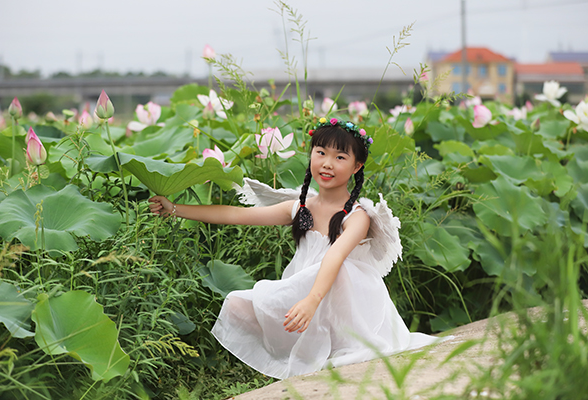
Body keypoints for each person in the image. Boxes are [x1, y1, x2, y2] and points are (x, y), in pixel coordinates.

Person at [149, 118, 445, 379]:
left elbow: (336, 256)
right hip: (305, 290)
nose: (327, 163)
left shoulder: (359, 217)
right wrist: (175, 208)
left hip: (346, 301)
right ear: (311, 155)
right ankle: (301, 350)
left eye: (340, 157)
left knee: (333, 270)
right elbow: (237, 215)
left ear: (357, 166)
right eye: (321, 153)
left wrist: (311, 301)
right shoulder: (299, 207)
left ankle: (327, 346)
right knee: (238, 305)